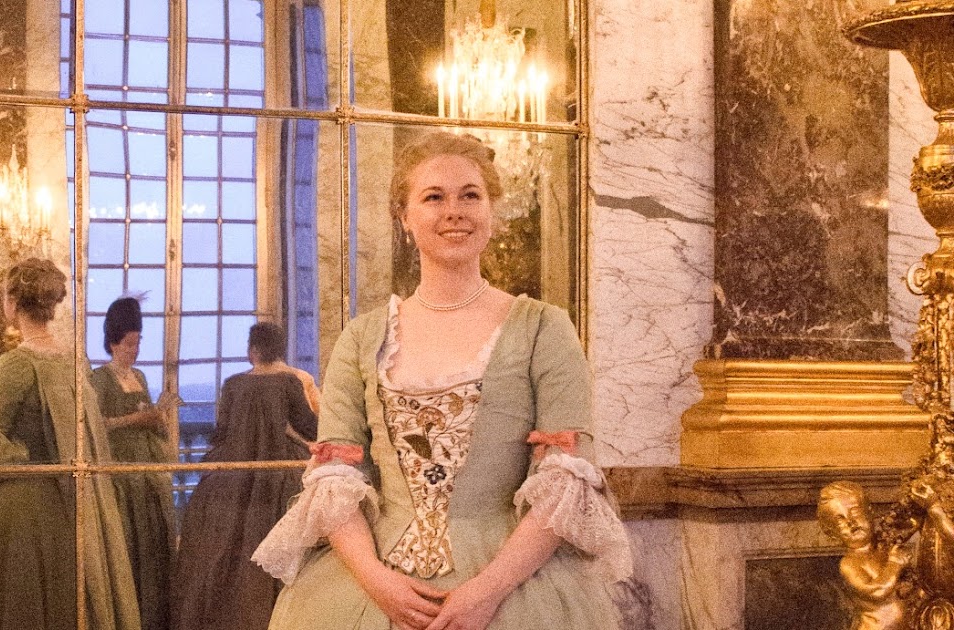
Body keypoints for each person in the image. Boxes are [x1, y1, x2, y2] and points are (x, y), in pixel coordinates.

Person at [252, 131, 632, 630]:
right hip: (373, 587)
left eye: (470, 195)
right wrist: (375, 580)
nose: (454, 211)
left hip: (513, 586)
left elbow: (563, 480)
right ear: (405, 218)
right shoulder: (362, 337)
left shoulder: (544, 327)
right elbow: (334, 479)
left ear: (492, 211)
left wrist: (486, 592)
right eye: (433, 197)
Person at [0, 258, 139, 630]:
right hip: (64, 505)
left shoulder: (15, 364)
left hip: (13, 510)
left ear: (12, 301)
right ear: (51, 305)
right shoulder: (73, 362)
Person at [172, 322, 318, 630]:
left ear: (252, 350)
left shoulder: (233, 384)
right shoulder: (290, 382)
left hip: (230, 475)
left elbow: (221, 432)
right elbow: (309, 426)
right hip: (277, 475)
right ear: (280, 349)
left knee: (219, 543)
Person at [90, 297, 178, 630]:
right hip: (120, 472)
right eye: (129, 344)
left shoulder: (139, 375)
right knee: (128, 542)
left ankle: (154, 616)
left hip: (147, 469)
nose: (134, 350)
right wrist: (134, 419)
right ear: (113, 342)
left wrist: (157, 417)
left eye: (138, 342)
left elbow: (149, 420)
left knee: (153, 542)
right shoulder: (99, 379)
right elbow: (97, 425)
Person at [818, 481, 909, 630]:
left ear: (870, 512)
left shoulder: (883, 546)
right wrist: (895, 563)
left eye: (855, 512)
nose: (851, 523)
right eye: (840, 520)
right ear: (832, 534)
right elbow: (876, 591)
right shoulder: (849, 564)